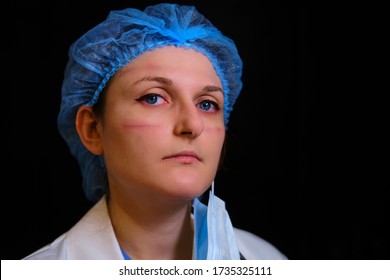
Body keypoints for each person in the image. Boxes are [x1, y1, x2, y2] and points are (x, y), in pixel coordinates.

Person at [23, 3, 287, 260]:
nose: (192, 125)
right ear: (92, 129)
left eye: (207, 104)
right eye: (153, 98)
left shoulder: (265, 259)